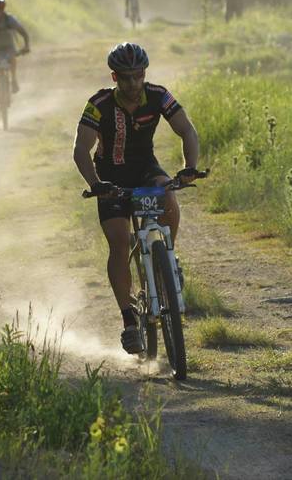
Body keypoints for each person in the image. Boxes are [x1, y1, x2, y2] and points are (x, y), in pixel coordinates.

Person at [72, 42, 201, 354]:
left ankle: (167, 261)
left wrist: (189, 169)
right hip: (110, 178)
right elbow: (81, 150)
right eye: (126, 77)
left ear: (145, 74)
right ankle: (129, 321)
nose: (133, 83)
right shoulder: (98, 103)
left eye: (138, 76)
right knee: (118, 242)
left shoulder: (158, 95)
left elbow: (187, 131)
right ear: (115, 77)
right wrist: (96, 183)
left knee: (168, 194)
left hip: (145, 169)